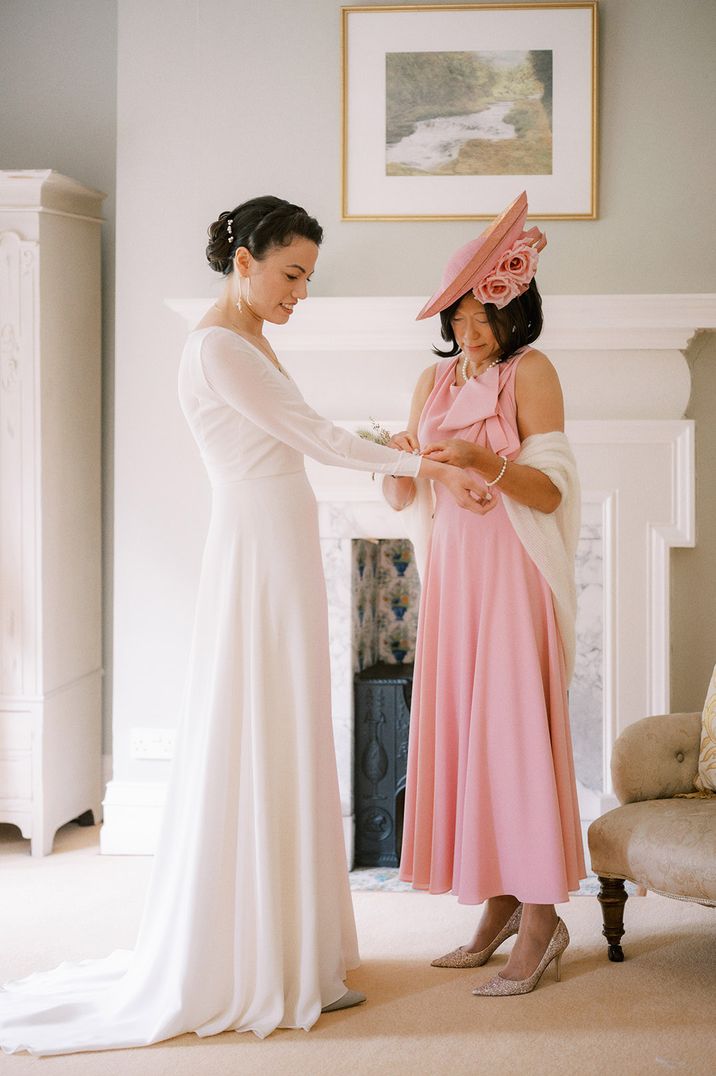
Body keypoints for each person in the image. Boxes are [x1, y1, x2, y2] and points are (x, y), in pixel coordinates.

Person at [0, 195, 486, 1056]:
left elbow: (303, 434)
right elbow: (309, 433)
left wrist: (392, 446)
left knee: (287, 724)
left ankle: (298, 946)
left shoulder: (249, 340)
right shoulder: (220, 346)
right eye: (291, 273)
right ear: (245, 261)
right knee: (261, 723)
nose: (301, 292)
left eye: (309, 277)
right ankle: (259, 957)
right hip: (257, 545)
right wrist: (420, 464)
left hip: (278, 535)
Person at [384, 191, 586, 996]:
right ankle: (499, 899)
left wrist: (481, 459)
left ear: (514, 305)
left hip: (514, 577)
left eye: (484, 315)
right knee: (472, 737)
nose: (471, 332)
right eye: (460, 317)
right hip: (457, 586)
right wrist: (407, 458)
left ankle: (541, 916)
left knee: (514, 740)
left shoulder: (529, 372)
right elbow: (407, 495)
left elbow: (551, 492)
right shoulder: (430, 384)